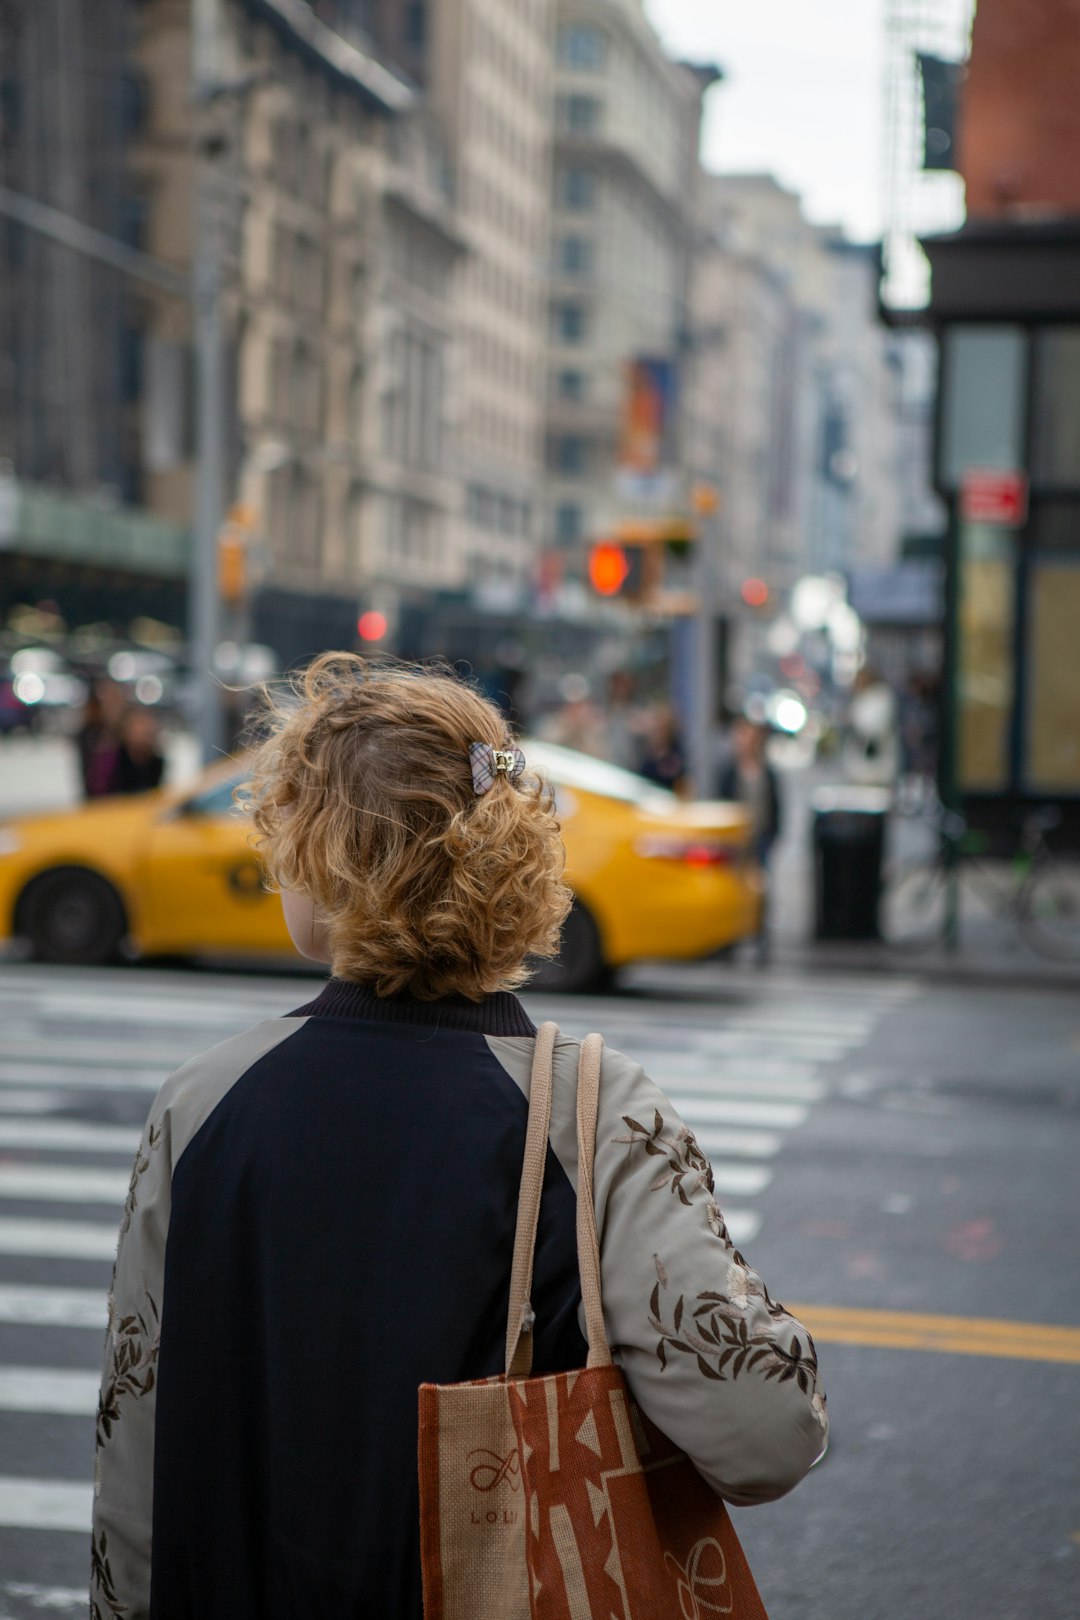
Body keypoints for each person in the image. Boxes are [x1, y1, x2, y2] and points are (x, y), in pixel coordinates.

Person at [91, 654, 827, 1619]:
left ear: (318, 860)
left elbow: (133, 1463)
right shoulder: (595, 1112)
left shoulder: (199, 1106)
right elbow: (764, 1433)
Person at [719, 715, 782, 961]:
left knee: (761, 890)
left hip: (761, 839)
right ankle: (730, 937)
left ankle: (759, 937)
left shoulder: (767, 772)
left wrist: (773, 836)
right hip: (736, 841)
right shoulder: (729, 771)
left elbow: (775, 807)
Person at [76, 679, 125, 798]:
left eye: (114, 700)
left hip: (124, 802)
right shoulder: (88, 734)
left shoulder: (128, 733)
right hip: (97, 803)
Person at [112, 705, 166, 795]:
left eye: (148, 725)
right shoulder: (113, 763)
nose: (144, 731)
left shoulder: (158, 763)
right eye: (139, 724)